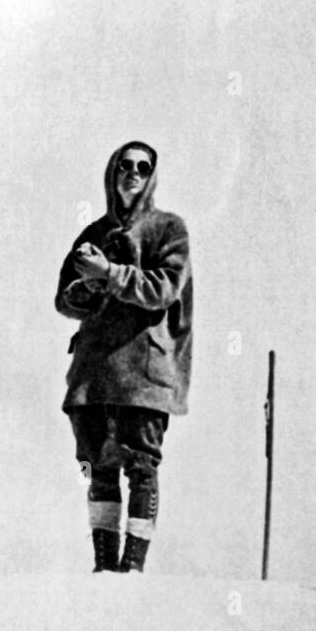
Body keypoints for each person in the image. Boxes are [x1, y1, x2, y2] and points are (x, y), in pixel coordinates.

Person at [55, 142, 192, 574]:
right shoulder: (92, 235)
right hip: (93, 372)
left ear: (151, 175)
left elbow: (164, 289)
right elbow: (64, 300)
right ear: (112, 172)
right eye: (124, 165)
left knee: (142, 466)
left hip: (143, 375)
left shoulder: (169, 230)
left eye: (142, 167)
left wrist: (108, 274)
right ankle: (102, 567)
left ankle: (132, 568)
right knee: (98, 466)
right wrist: (88, 287)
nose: (132, 172)